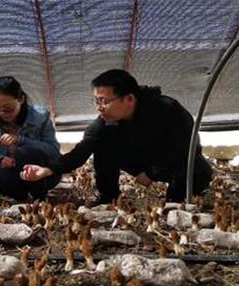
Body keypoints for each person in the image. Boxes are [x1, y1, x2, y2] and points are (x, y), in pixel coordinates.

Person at [20, 69, 213, 203]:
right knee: (102, 144)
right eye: (96, 101)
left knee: (198, 168)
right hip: (140, 161)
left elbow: (188, 147)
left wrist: (153, 173)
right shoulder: (106, 121)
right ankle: (108, 196)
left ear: (129, 99)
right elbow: (82, 150)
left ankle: (176, 200)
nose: (99, 107)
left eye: (104, 101)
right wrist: (47, 170)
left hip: (173, 163)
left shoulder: (167, 109)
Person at [0, 76, 61, 200]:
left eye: (8, 109)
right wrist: (0, 160)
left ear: (21, 99)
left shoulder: (40, 117)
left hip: (43, 173)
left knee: (24, 152)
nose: (2, 113)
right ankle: (23, 200)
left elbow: (53, 150)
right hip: (14, 172)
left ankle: (39, 198)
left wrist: (20, 139)